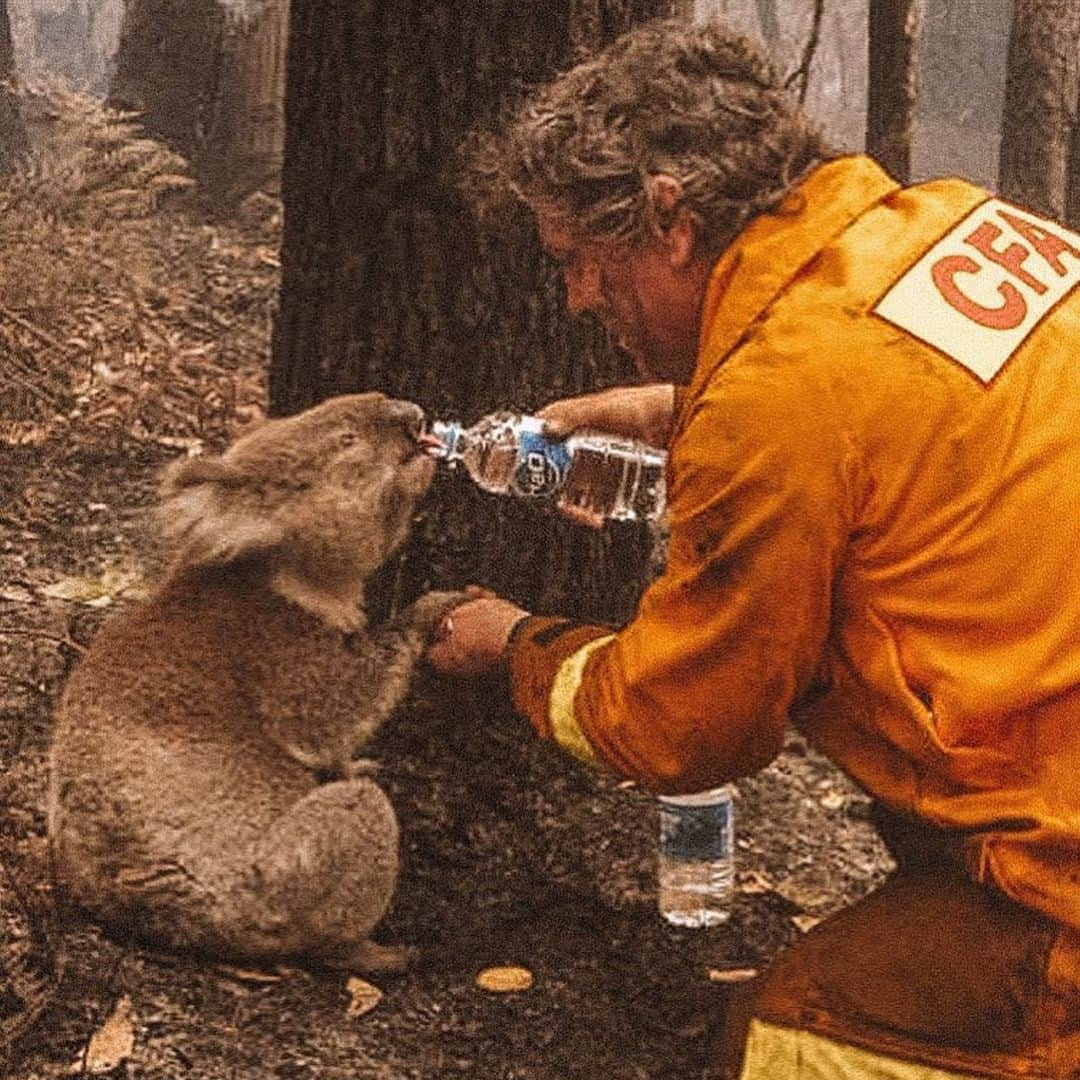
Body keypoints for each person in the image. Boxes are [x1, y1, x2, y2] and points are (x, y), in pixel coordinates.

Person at [428, 16, 1080, 1079]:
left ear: (670, 222)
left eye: (582, 262)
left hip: (1060, 866)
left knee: (788, 1039)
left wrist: (514, 646)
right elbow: (900, 413)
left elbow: (691, 724)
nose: (577, 299)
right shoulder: (950, 224)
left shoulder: (779, 403)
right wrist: (683, 410)